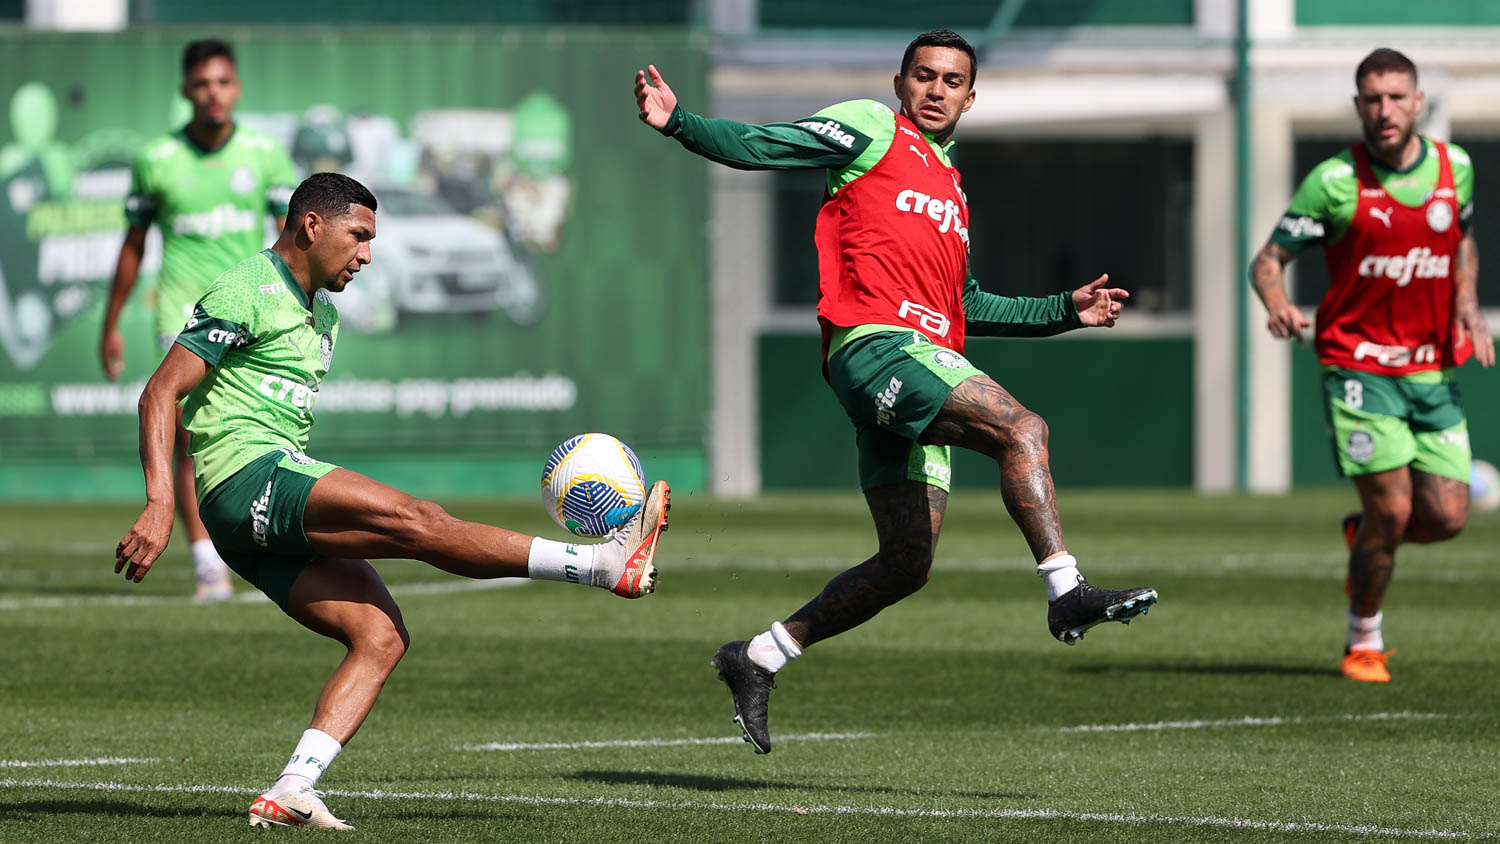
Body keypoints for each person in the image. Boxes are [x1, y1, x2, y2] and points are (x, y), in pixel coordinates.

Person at [635, 29, 1158, 754]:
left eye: (951, 81)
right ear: (900, 82)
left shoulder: (952, 188)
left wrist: (1063, 312)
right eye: (923, 75)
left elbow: (965, 305)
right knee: (1024, 429)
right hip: (877, 348)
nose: (936, 89)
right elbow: (766, 143)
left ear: (971, 98)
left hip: (925, 361)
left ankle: (757, 656)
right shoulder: (871, 127)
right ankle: (1065, 590)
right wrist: (681, 122)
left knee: (908, 561)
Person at [113, 173, 671, 829]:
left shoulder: (323, 315)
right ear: (311, 226)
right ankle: (603, 566)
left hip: (248, 516)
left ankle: (292, 787)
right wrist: (158, 502)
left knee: (380, 637)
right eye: (359, 236)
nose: (368, 255)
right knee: (418, 521)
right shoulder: (248, 288)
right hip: (246, 477)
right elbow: (159, 392)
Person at [1249, 48, 1492, 683]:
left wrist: (1466, 302)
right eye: (1372, 98)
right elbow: (1267, 261)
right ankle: (1365, 639)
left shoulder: (1454, 167)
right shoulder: (1334, 181)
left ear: (1418, 103)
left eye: (1395, 96)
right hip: (1358, 368)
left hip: (1433, 369)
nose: (1384, 109)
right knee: (1394, 511)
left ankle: (1368, 538)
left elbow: (1463, 238)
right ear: (1359, 106)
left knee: (1447, 518)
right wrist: (1277, 302)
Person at [100, 39, 299, 601]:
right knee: (191, 439)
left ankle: (253, 539)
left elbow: (295, 239)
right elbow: (133, 246)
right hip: (182, 312)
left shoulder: (264, 154)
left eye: (224, 82)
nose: (214, 93)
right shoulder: (156, 159)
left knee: (259, 427)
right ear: (186, 90)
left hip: (252, 310)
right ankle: (206, 560)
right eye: (203, 83)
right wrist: (110, 322)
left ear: (236, 87)